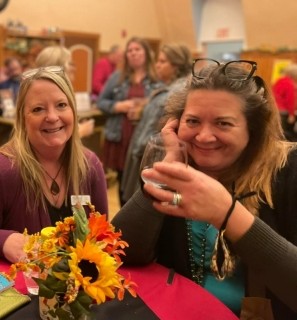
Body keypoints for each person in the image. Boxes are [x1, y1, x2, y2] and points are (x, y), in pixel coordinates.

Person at [112, 60, 297, 318]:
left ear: (253, 130)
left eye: (223, 123)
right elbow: (118, 252)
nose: (204, 137)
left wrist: (226, 213)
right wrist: (166, 172)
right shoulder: (181, 165)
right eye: (193, 121)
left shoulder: (288, 170)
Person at [0, 67, 108, 264]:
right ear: (22, 119)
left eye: (61, 105)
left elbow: (103, 237)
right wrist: (2, 241)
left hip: (77, 291)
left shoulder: (90, 166)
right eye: (38, 109)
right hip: (19, 291)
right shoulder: (3, 170)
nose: (53, 117)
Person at [121, 43, 192, 203]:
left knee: (140, 201)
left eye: (162, 61)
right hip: (143, 150)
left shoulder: (177, 91)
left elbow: (159, 128)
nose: (157, 65)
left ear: (176, 66)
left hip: (151, 154)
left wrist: (140, 152)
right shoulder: (167, 87)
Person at [97, 37, 160, 206]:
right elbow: (101, 102)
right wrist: (119, 106)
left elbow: (163, 107)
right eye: (130, 50)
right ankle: (124, 215)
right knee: (122, 179)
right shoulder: (117, 77)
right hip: (120, 135)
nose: (133, 53)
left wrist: (143, 110)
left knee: (144, 179)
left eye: (137, 49)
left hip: (143, 136)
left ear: (147, 53)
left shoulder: (157, 79)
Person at [34, 45, 94, 138]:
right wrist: (80, 132)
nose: (74, 68)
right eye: (70, 64)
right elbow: (52, 136)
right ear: (58, 67)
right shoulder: (51, 94)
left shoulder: (60, 91)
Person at [272, 63, 297, 141]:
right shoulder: (290, 83)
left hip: (274, 109)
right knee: (283, 135)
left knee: (275, 133)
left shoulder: (279, 80)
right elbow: (290, 100)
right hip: (283, 112)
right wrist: (291, 114)